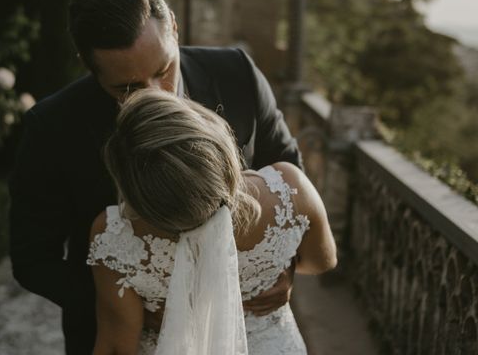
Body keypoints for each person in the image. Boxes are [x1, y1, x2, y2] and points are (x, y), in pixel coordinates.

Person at [9, 0, 303, 354]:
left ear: (174, 30)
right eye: (126, 88)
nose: (154, 94)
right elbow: (33, 259)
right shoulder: (50, 128)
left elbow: (287, 172)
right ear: (88, 64)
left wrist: (285, 264)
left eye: (164, 70)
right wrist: (129, 303)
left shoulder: (238, 75)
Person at [88, 90, 337, 354]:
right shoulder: (288, 187)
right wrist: (279, 265)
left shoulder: (114, 234)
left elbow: (117, 347)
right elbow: (322, 261)